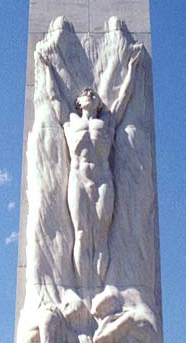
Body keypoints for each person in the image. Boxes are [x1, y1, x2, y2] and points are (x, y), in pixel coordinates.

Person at [36, 41, 144, 287]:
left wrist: (132, 67)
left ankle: (100, 289)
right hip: (78, 180)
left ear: (98, 104)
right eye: (86, 94)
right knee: (82, 235)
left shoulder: (107, 123)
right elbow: (54, 96)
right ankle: (85, 290)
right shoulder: (70, 122)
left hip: (104, 179)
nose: (91, 94)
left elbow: (124, 97)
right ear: (79, 103)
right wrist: (46, 67)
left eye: (93, 94)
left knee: (102, 236)